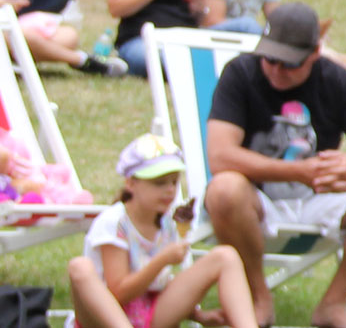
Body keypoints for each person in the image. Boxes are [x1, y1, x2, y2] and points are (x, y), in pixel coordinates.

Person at [201, 3, 346, 328]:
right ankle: (259, 298)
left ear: (315, 52)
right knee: (224, 189)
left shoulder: (336, 80)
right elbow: (220, 157)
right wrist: (298, 171)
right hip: (255, 201)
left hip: (319, 198)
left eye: (288, 63)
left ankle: (333, 302)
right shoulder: (241, 73)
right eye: (269, 58)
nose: (275, 70)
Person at [85, 133, 259, 328]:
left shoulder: (165, 222)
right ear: (131, 183)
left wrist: (197, 315)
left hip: (152, 313)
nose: (169, 190)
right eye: (159, 183)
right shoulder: (114, 223)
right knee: (80, 268)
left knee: (226, 256)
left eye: (174, 182)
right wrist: (163, 260)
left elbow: (159, 284)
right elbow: (118, 293)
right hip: (110, 317)